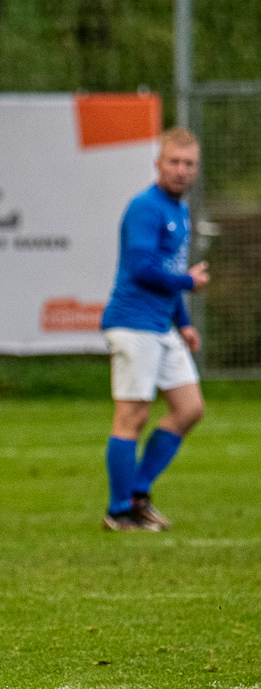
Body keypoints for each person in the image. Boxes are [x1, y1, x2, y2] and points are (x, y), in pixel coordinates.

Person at [100, 126, 209, 532]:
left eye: (189, 164)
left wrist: (184, 323)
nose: (181, 170)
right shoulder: (145, 207)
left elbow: (168, 273)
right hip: (133, 323)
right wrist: (188, 282)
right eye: (174, 162)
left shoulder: (179, 210)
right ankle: (119, 511)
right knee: (132, 415)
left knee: (189, 409)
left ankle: (138, 493)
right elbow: (142, 268)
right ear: (158, 164)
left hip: (161, 325)